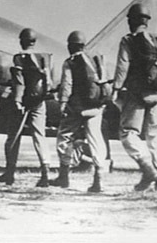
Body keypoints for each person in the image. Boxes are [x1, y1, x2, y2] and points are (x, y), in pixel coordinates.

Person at [112, 3, 157, 191]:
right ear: (147, 21)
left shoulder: (128, 40)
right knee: (156, 136)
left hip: (137, 93)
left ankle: (147, 169)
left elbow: (123, 65)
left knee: (128, 133)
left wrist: (116, 88)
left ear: (131, 21)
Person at [49, 31, 109, 193]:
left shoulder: (70, 62)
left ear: (70, 46)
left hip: (77, 109)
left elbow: (67, 85)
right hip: (96, 107)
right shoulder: (96, 59)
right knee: (96, 140)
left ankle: (63, 177)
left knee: (64, 137)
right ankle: (98, 180)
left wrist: (62, 104)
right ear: (83, 45)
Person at [0, 28, 52, 187]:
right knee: (40, 137)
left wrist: (17, 101)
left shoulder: (20, 58)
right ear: (34, 42)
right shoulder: (43, 57)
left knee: (12, 138)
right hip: (39, 102)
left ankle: (9, 174)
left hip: (23, 103)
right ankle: (45, 173)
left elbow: (19, 83)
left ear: (22, 41)